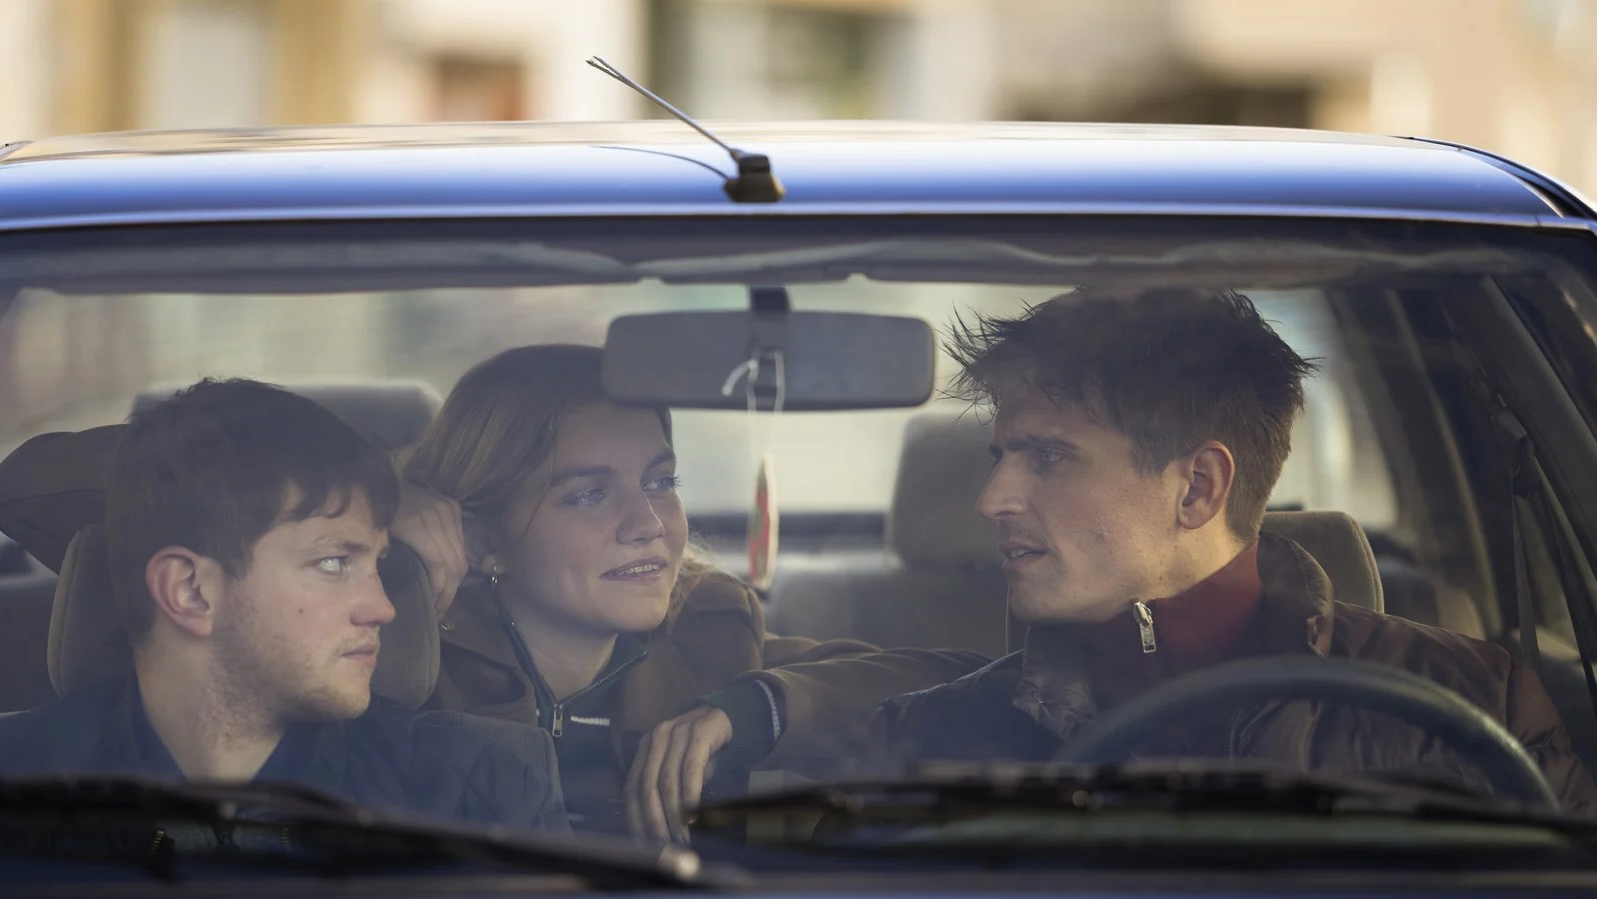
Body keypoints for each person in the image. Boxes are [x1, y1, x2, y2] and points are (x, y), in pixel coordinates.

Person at [865, 287, 1597, 813]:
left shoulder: (1474, 710)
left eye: (1048, 457)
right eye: (1002, 456)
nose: (992, 498)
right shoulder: (932, 735)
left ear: (1198, 488)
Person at [396, 344, 988, 840]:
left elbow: (967, 687)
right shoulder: (399, 653)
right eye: (587, 494)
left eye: (659, 481)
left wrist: (754, 710)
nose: (649, 524)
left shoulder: (706, 633)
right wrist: (380, 534)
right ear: (480, 539)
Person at [0, 379, 567, 830]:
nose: (383, 608)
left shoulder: (477, 794)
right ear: (190, 591)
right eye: (333, 562)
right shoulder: (18, 791)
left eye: (378, 565)